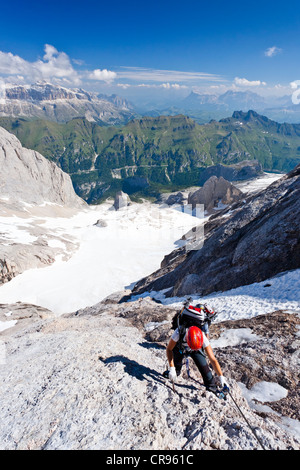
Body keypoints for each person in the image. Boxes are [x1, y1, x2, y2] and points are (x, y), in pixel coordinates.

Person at [164, 324, 229, 394]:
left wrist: (221, 377)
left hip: (195, 350)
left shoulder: (203, 337)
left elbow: (213, 359)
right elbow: (169, 349)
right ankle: (176, 371)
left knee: (206, 371)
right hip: (180, 347)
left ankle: (212, 387)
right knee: (176, 367)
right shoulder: (178, 332)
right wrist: (172, 368)